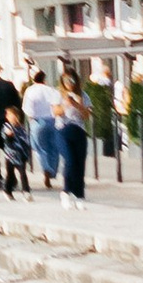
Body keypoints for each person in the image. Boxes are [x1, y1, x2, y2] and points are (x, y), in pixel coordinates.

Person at [52, 72, 92, 200]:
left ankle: (79, 194)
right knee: (70, 160)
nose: (69, 83)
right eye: (66, 81)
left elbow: (86, 115)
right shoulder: (58, 94)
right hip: (63, 130)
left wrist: (77, 104)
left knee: (80, 162)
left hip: (78, 130)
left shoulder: (83, 95)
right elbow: (55, 112)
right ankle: (66, 190)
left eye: (72, 81)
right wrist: (65, 104)